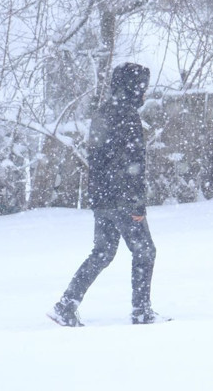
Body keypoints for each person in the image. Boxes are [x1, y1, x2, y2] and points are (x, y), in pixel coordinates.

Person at [49, 62, 165, 326]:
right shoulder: (128, 116)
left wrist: (98, 199)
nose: (144, 93)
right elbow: (133, 164)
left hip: (103, 198)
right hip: (123, 199)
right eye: (142, 87)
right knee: (145, 251)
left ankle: (66, 304)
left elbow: (98, 159)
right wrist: (137, 205)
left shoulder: (102, 113)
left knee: (103, 252)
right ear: (133, 87)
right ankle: (141, 311)